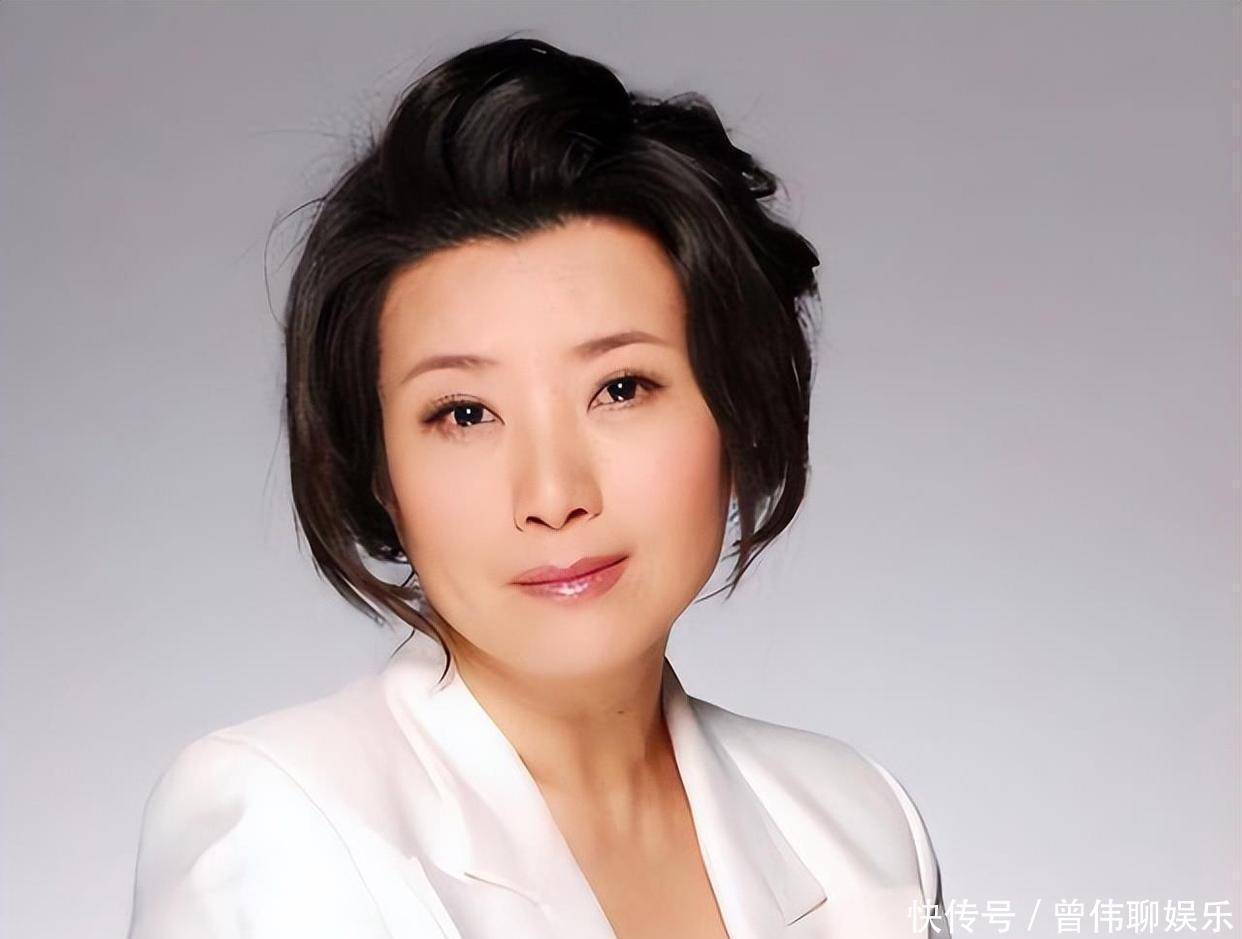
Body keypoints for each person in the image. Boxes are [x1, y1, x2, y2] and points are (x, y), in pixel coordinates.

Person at [126, 34, 950, 939]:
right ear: (379, 468)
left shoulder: (857, 826)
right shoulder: (282, 828)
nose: (553, 495)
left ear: (736, 405)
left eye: (621, 388)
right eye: (464, 413)